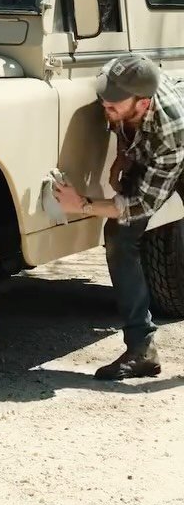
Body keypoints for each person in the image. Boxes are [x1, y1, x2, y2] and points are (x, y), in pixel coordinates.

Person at [54, 54, 184, 380]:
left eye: (114, 103)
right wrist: (122, 155)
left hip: (175, 149)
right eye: (105, 98)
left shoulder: (171, 130)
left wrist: (82, 204)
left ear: (142, 104)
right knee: (120, 236)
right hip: (154, 146)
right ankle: (142, 351)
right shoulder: (120, 80)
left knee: (126, 214)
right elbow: (118, 113)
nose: (105, 106)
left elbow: (139, 205)